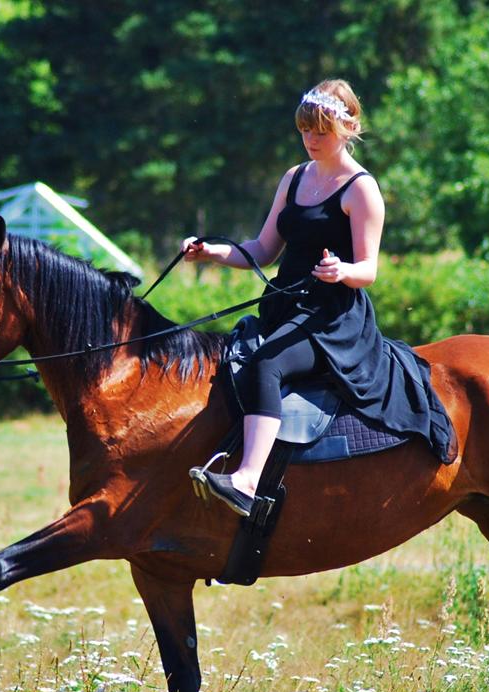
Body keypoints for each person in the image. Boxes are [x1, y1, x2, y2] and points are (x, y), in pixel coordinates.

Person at [185, 78, 453, 517]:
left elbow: (369, 270)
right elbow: (263, 250)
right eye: (305, 129)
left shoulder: (361, 189)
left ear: (349, 128)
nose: (311, 139)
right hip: (284, 308)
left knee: (267, 363)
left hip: (332, 319)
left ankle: (247, 481)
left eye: (322, 131)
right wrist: (211, 252)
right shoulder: (293, 178)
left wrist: (342, 271)